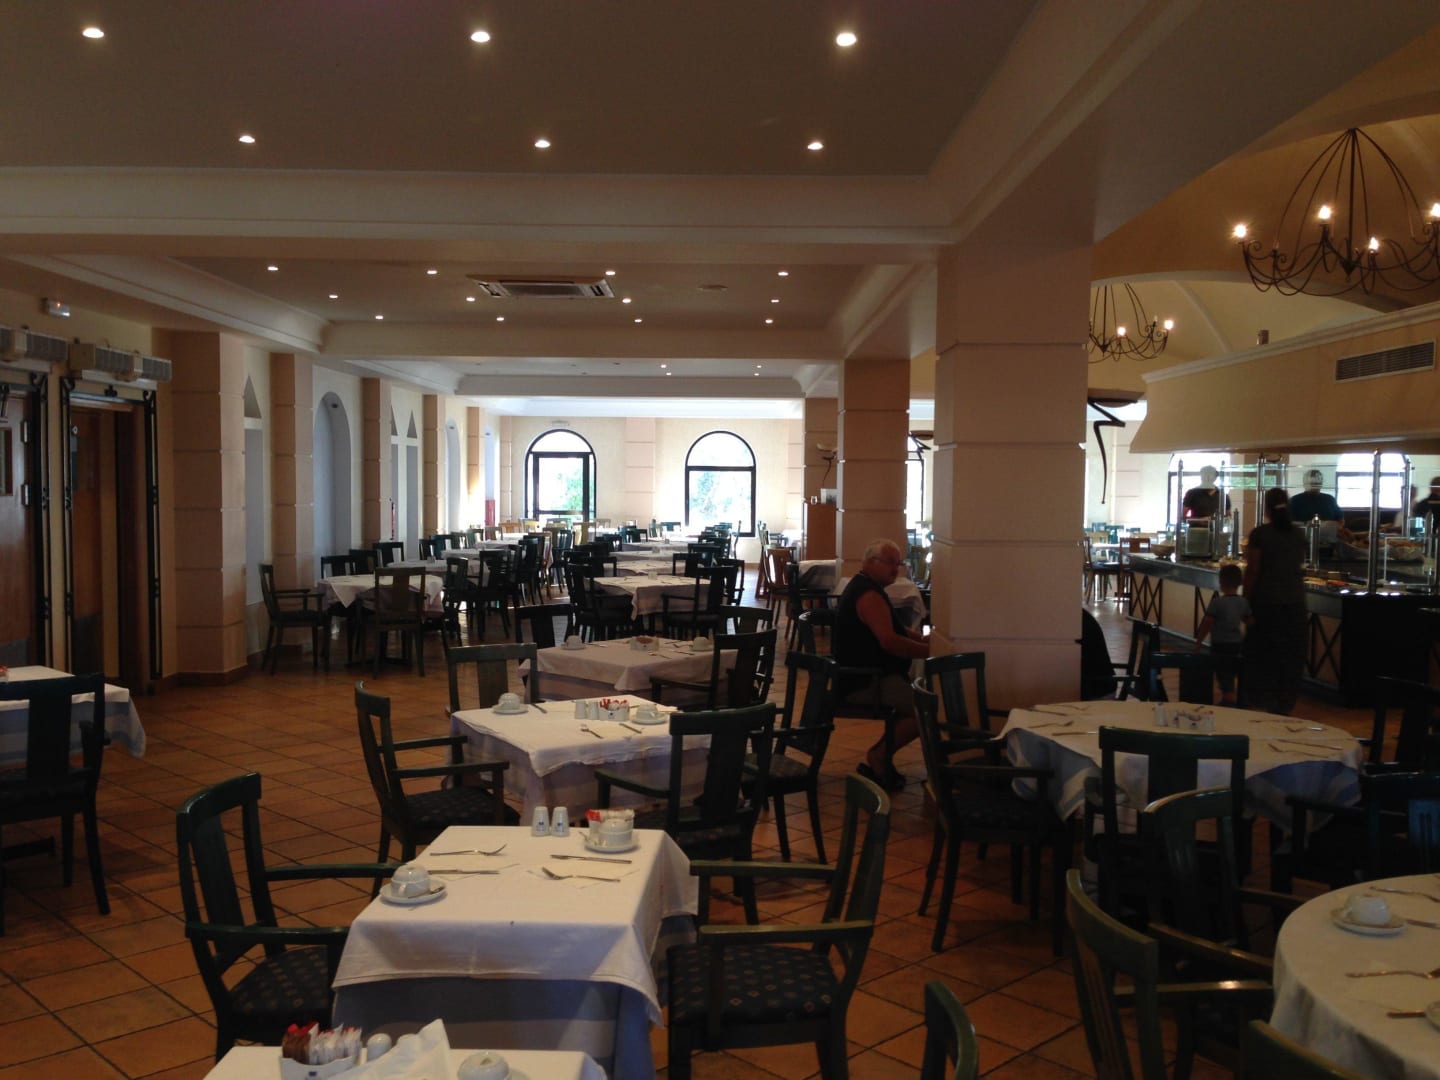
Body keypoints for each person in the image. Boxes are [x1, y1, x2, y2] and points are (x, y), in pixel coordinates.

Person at [834, 538, 930, 792]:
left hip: (869, 675)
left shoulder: (868, 587)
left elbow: (897, 630)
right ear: (870, 562)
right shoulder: (868, 595)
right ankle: (879, 756)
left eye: (898, 564)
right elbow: (890, 642)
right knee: (925, 709)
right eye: (889, 563)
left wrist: (923, 640)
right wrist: (929, 651)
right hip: (864, 681)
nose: (895, 569)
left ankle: (882, 754)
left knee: (922, 703)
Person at [1242, 488, 1308, 715]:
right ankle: (1285, 703)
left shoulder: (1260, 534)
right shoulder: (1298, 534)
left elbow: (1253, 570)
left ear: (1266, 508)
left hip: (1266, 602)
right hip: (1295, 602)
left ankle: (1261, 701)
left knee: (1263, 653)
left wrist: (1245, 603)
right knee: (1290, 656)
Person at [1193, 562, 1252, 706]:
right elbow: (1249, 620)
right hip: (1237, 644)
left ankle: (1228, 700)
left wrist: (1199, 642)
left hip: (1220, 644)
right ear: (1240, 582)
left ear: (1221, 582)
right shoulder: (1243, 602)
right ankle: (1239, 700)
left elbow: (1207, 623)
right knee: (1232, 672)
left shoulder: (1217, 603)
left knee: (1223, 673)